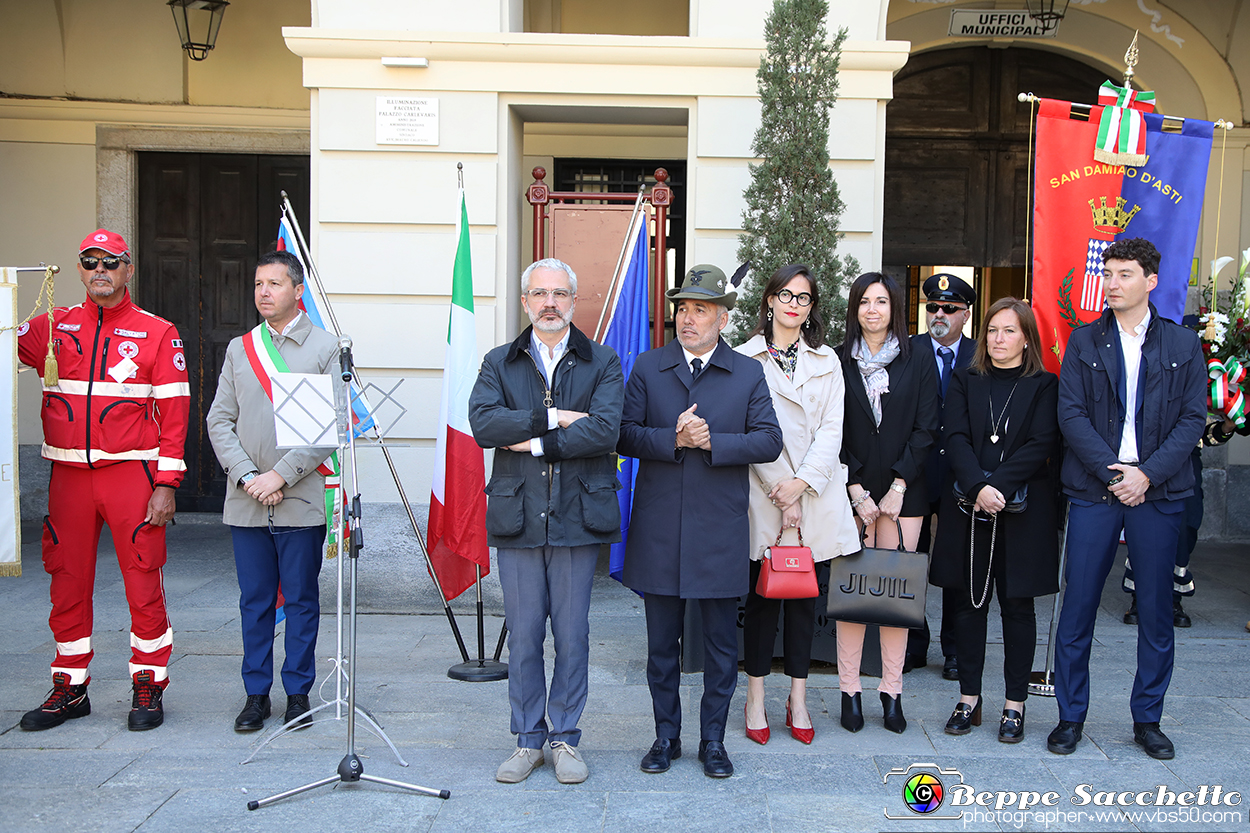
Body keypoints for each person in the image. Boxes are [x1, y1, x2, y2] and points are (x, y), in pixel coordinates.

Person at [17, 229, 189, 732]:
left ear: (128, 270)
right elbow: (6, 333)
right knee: (67, 581)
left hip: (130, 474)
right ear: (80, 270)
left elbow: (175, 414)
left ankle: (149, 684)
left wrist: (167, 484)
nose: (99, 271)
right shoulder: (53, 325)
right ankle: (69, 688)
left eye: (110, 262)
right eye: (90, 262)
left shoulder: (158, 331)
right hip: (67, 475)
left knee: (142, 580)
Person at [619, 264, 782, 778]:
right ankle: (665, 737)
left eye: (701, 310)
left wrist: (714, 443)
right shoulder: (649, 366)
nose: (688, 319)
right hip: (660, 528)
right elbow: (623, 435)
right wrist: (673, 438)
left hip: (718, 529)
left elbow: (769, 440)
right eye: (683, 309)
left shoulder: (748, 372)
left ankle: (713, 739)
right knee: (661, 644)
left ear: (723, 318)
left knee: (718, 646)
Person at [1049, 238, 1206, 760]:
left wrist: (1147, 476)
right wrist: (1114, 473)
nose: (1112, 284)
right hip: (1096, 489)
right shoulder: (1085, 342)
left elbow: (1192, 420)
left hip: (1158, 493)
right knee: (1078, 608)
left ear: (1150, 281)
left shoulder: (1183, 344)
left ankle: (1148, 720)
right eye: (1108, 274)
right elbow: (1069, 414)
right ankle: (1070, 717)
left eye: (1124, 275)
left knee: (1157, 611)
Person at [468, 258, 624, 785]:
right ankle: (528, 739)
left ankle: (565, 738)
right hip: (518, 517)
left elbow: (605, 431)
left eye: (559, 293)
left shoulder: (602, 361)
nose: (550, 303)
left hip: (578, 516)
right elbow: (484, 423)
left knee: (573, 635)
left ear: (574, 301)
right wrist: (554, 418)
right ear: (525, 302)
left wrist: (531, 441)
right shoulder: (499, 360)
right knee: (526, 636)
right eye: (540, 294)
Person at [206, 249, 339, 733]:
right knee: (255, 599)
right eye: (259, 284)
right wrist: (247, 476)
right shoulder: (241, 348)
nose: (264, 292)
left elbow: (326, 427)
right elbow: (219, 419)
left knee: (302, 599)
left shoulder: (325, 348)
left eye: (274, 284)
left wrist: (279, 476)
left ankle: (298, 691)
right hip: (246, 499)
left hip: (299, 497)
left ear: (297, 290)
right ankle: (256, 694)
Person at [735, 265, 860, 746]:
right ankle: (755, 696)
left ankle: (800, 698)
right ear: (769, 300)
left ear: (811, 310)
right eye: (785, 294)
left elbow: (833, 429)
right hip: (764, 493)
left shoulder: (827, 360)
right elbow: (745, 426)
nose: (793, 304)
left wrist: (802, 483)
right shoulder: (744, 358)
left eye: (803, 298)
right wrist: (780, 486)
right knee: (763, 600)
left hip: (816, 494)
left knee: (807, 602)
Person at [930, 297, 1059, 743]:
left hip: (1022, 511)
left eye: (1009, 331)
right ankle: (969, 698)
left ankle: (1014, 705)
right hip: (970, 506)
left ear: (1026, 338)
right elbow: (956, 436)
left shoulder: (1044, 384)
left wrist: (997, 487)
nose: (998, 339)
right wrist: (978, 488)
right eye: (992, 330)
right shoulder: (967, 378)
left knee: (1018, 608)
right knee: (969, 605)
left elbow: (1041, 442)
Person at [837, 272, 940, 734]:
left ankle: (892, 691)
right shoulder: (837, 360)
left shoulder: (918, 359)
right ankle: (850, 691)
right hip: (852, 494)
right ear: (855, 309)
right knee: (853, 597)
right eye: (864, 301)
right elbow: (831, 428)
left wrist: (899, 485)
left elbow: (926, 427)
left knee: (896, 596)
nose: (872, 310)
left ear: (894, 308)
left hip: (906, 496)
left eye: (881, 301)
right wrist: (855, 488)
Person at [907, 273, 978, 680]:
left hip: (959, 475)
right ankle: (914, 644)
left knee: (955, 563)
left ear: (965, 314)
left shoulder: (980, 353)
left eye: (949, 309)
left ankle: (954, 649)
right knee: (911, 561)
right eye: (933, 307)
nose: (939, 314)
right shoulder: (909, 349)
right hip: (915, 473)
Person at [1121, 415, 1249, 628]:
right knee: (1146, 527)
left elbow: (1206, 435)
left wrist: (1227, 426)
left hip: (1186, 459)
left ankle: (1172, 599)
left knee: (1187, 525)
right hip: (1147, 455)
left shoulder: (1198, 383)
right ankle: (1139, 598)